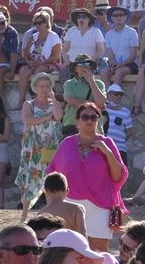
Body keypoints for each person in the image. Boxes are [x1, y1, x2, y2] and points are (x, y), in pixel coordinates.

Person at [46, 102, 126, 251]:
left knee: (99, 255)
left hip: (100, 207)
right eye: (85, 117)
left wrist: (107, 153)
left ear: (98, 121)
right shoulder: (67, 144)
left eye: (94, 117)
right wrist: (53, 201)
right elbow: (52, 173)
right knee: (68, 252)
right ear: (77, 122)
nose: (89, 120)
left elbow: (118, 177)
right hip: (69, 205)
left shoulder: (108, 143)